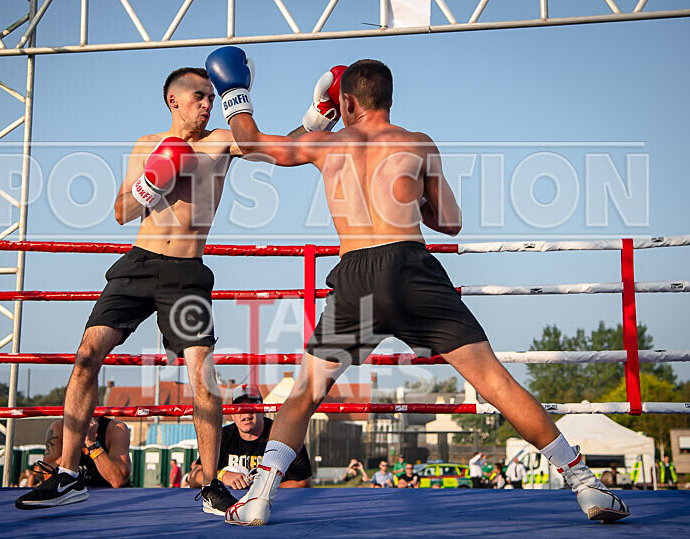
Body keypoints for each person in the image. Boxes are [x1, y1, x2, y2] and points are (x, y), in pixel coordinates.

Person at [205, 49, 630, 525]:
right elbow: (449, 221)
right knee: (495, 382)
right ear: (387, 98)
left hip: (356, 277)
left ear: (344, 103)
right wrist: (417, 195)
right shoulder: (419, 143)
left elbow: (256, 145)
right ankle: (587, 487)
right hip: (412, 267)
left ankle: (259, 498)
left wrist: (237, 95)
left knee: (305, 393)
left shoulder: (328, 145)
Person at [16, 66, 247, 515]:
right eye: (199, 95)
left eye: (211, 96)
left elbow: (273, 148)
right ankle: (67, 474)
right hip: (137, 264)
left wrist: (319, 117)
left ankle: (212, 481)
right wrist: (149, 183)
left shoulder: (222, 142)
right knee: (87, 355)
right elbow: (120, 211)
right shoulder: (146, 145)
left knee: (202, 373)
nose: (207, 103)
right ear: (174, 101)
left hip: (186, 271)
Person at [187, 385, 312, 489]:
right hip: (228, 505)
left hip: (273, 504)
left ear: (262, 410)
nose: (246, 413)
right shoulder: (222, 436)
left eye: (252, 407)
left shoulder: (283, 434)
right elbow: (193, 476)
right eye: (239, 408)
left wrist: (260, 490)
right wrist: (222, 475)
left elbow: (302, 483)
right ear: (232, 415)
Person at [31, 416, 131, 489]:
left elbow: (118, 480)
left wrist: (91, 444)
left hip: (111, 497)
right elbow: (46, 478)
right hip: (72, 497)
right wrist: (73, 446)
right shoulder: (58, 429)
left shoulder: (115, 429)